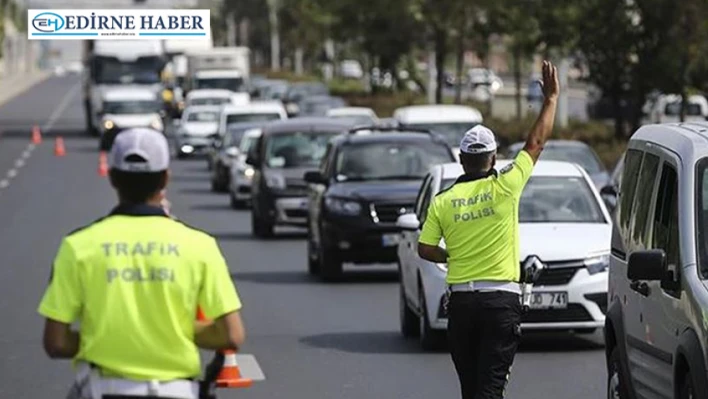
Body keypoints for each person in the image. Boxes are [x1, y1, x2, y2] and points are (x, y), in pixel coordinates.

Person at [37, 127, 246, 399]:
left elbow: (56, 342)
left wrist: (105, 338)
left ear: (112, 178)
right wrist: (173, 331)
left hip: (103, 389)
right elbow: (232, 335)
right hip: (178, 391)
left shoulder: (78, 246)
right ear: (165, 179)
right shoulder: (199, 246)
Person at [417, 60, 559, 399]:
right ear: (493, 159)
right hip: (501, 304)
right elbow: (536, 143)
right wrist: (551, 100)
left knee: (472, 391)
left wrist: (450, 254)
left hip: (462, 306)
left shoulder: (443, 200)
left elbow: (424, 248)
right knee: (490, 391)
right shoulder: (507, 186)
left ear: (462, 160)